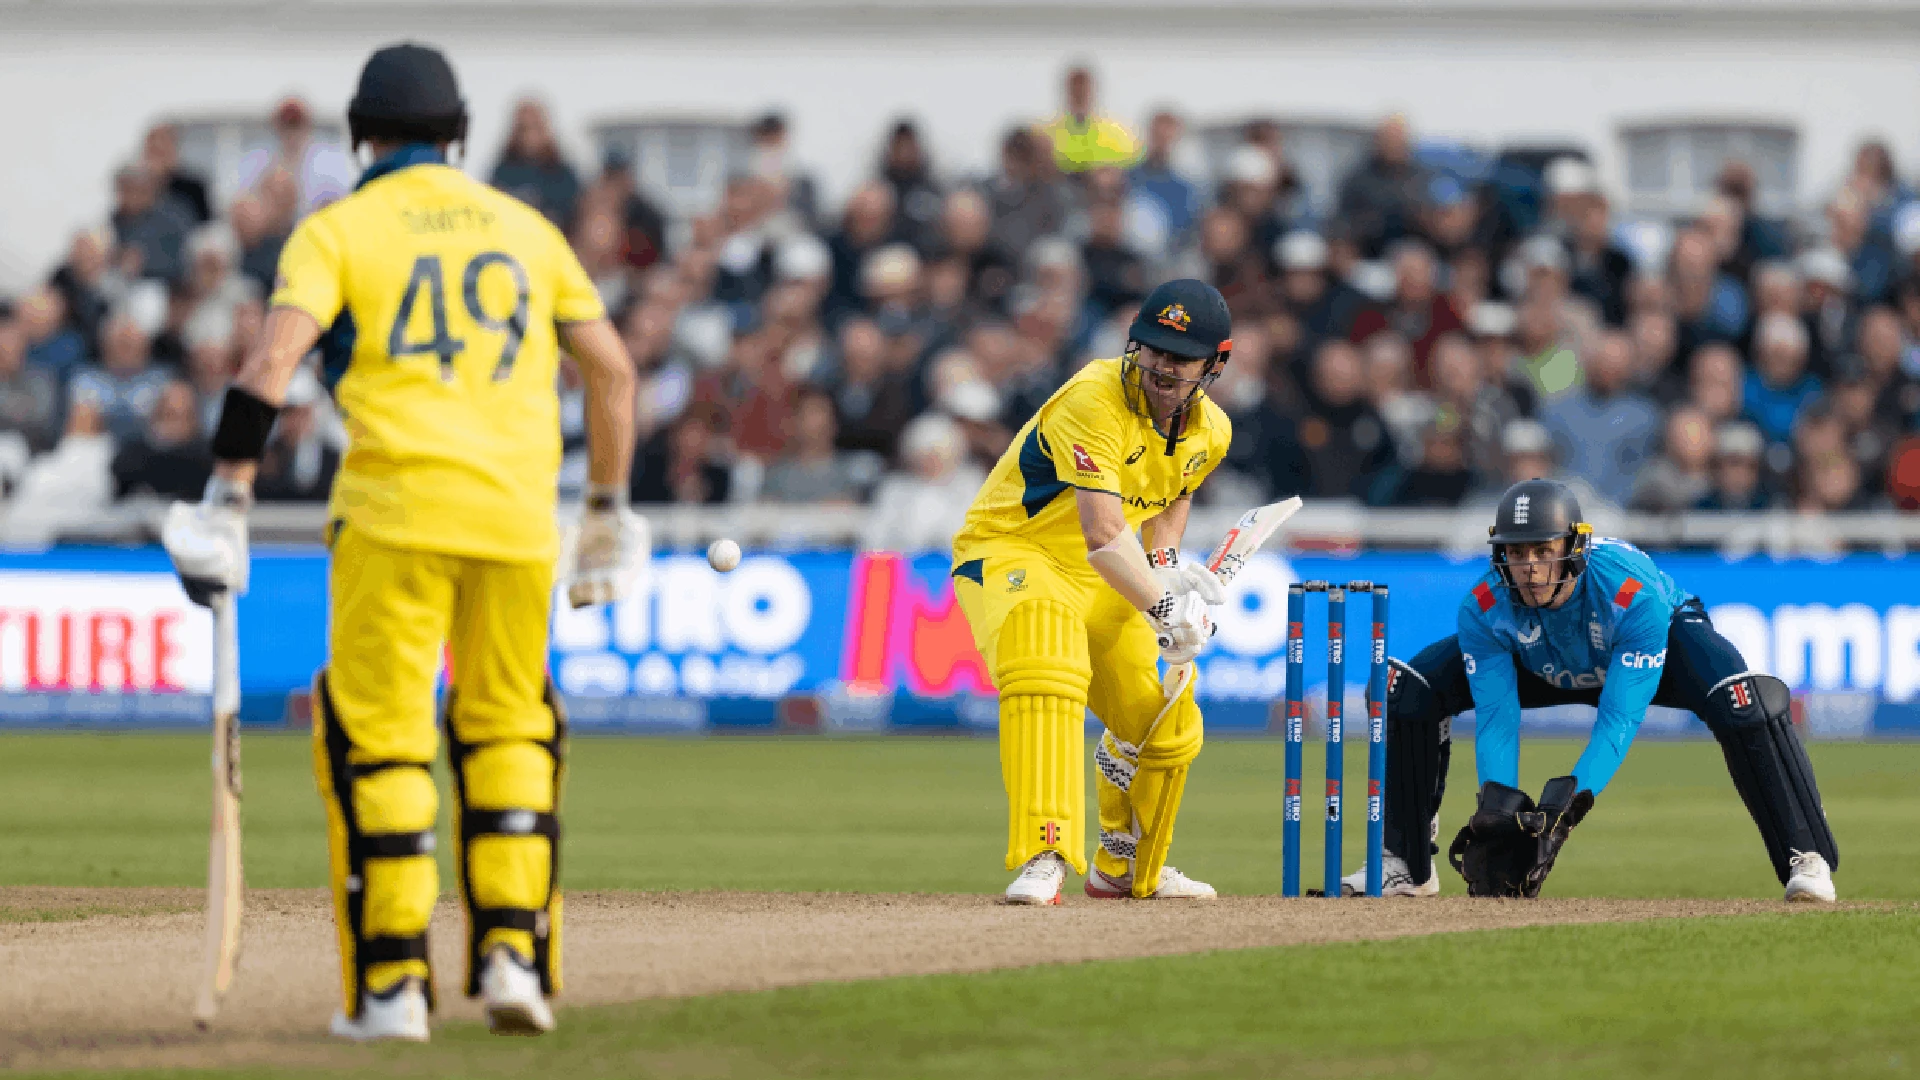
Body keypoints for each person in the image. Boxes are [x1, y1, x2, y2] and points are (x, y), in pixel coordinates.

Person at [159, 43, 643, 1043]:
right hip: (518, 520)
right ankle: (513, 955)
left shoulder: (338, 230)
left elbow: (270, 365)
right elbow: (613, 374)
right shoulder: (526, 227)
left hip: (395, 513)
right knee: (511, 729)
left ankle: (393, 990)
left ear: (359, 134)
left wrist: (227, 494)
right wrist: (606, 505)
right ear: (458, 134)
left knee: (382, 739)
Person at [1347, 479, 1839, 903]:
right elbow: (1499, 718)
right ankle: (1407, 867)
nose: (1531, 569)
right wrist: (1498, 809)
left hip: (1650, 644)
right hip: (1544, 660)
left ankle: (1806, 857)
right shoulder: (1483, 605)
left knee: (1742, 701)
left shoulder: (1630, 593)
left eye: (1544, 551)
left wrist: (1563, 811)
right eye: (1517, 554)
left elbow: (1618, 720)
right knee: (1407, 690)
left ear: (1573, 548)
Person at [950, 279, 1234, 905]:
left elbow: (1170, 498)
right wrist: (1159, 605)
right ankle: (1045, 853)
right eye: (1152, 349)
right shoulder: (1093, 398)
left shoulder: (1212, 433)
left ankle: (1125, 866)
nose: (1160, 367)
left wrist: (1167, 575)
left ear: (1215, 364)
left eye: (1179, 358)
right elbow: (1106, 535)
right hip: (1012, 549)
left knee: (1166, 719)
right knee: (1047, 654)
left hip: (1100, 574)